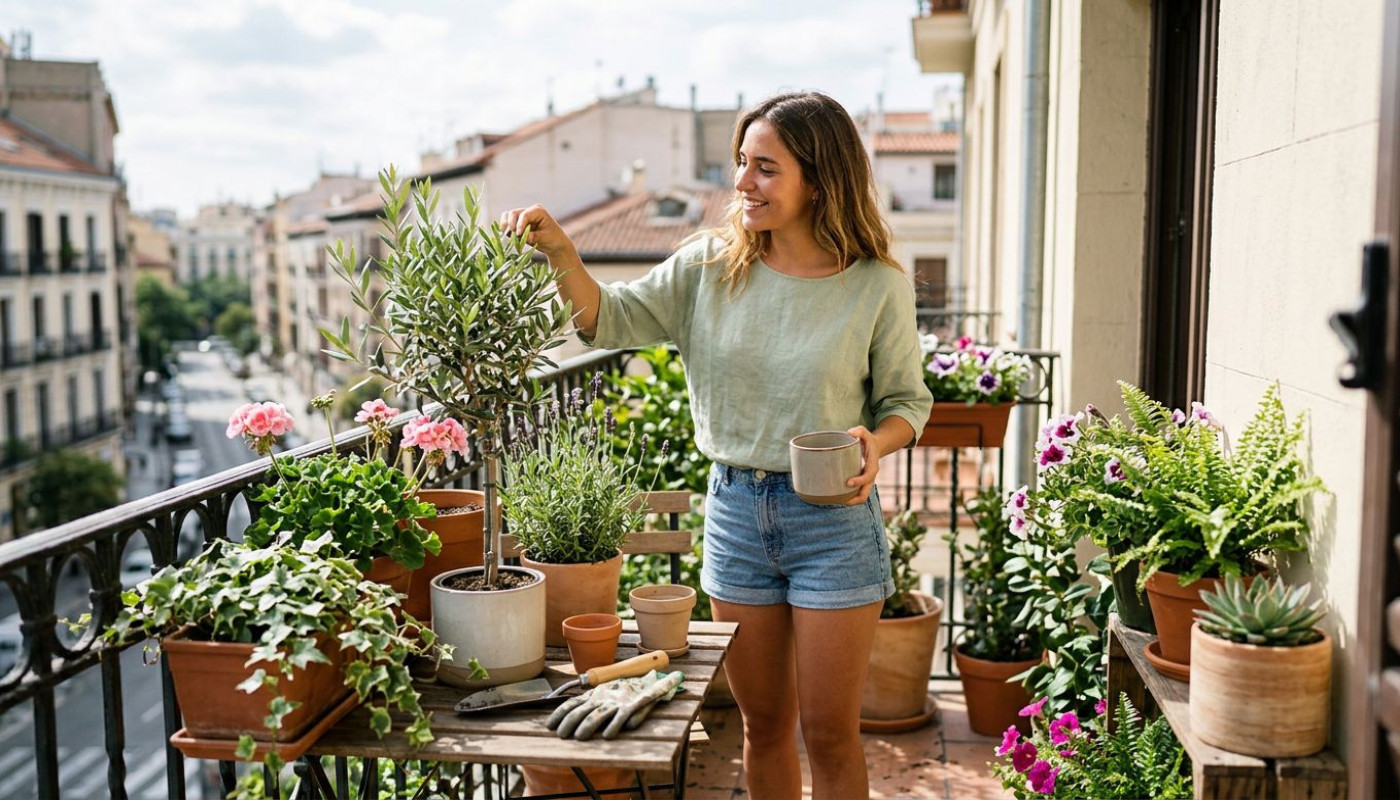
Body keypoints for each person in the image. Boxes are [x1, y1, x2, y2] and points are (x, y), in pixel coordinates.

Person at [502, 90, 933, 800]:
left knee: (830, 734)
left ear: (818, 180)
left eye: (765, 168)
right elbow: (605, 319)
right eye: (741, 162)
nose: (742, 182)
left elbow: (907, 403)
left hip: (832, 520)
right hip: (736, 515)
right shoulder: (707, 268)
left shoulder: (876, 285)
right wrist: (560, 253)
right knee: (765, 726)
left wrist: (875, 442)